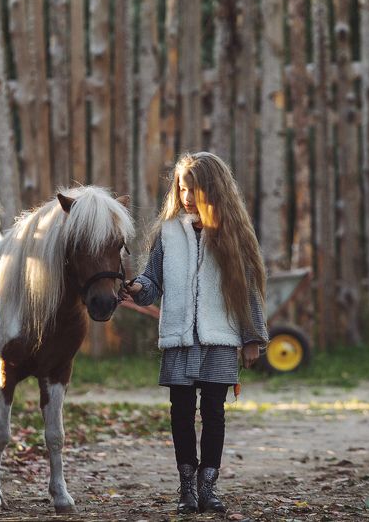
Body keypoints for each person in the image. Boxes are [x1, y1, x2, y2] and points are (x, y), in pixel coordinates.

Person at [119, 151, 269, 514]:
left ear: (213, 190)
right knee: (181, 413)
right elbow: (152, 282)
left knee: (214, 412)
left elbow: (246, 289)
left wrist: (252, 337)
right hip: (179, 339)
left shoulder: (231, 235)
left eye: (194, 189)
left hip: (220, 338)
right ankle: (187, 487)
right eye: (182, 188)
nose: (186, 196)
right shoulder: (168, 233)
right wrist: (139, 287)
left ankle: (208, 487)